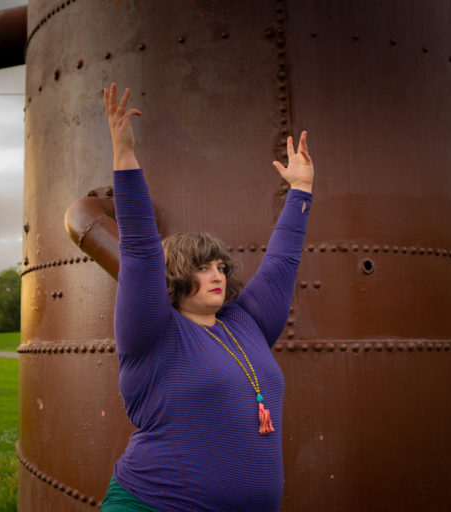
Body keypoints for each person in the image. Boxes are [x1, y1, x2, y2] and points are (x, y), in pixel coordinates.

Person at [100, 83, 314, 512]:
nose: (216, 274)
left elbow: (282, 262)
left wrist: (302, 191)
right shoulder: (151, 333)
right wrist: (123, 155)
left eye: (219, 266)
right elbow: (140, 249)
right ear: (177, 277)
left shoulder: (244, 323)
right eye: (201, 267)